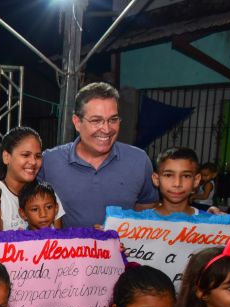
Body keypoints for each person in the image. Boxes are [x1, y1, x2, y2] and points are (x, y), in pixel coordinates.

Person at [40, 83, 158, 228]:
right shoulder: (49, 161)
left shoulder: (139, 161)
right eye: (96, 121)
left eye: (113, 120)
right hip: (65, 250)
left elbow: (147, 208)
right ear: (77, 122)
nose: (107, 129)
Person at [0, 127, 64, 230]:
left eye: (38, 156)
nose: (33, 162)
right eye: (26, 155)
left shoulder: (46, 193)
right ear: (6, 157)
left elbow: (58, 241)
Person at [151, 147, 202, 216]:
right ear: (156, 179)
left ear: (196, 180)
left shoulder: (209, 222)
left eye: (186, 176)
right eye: (168, 175)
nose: (177, 184)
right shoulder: (140, 222)